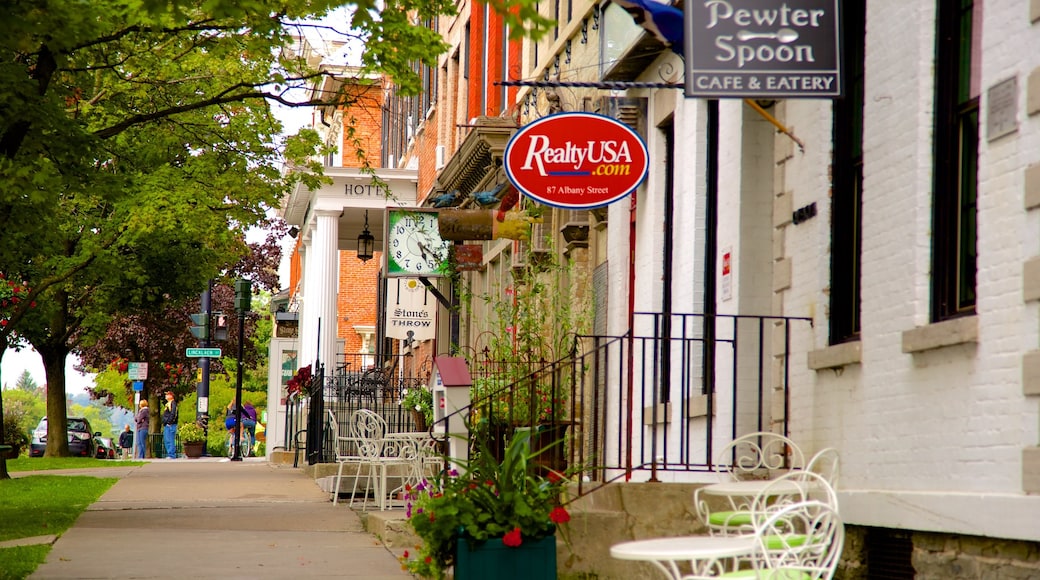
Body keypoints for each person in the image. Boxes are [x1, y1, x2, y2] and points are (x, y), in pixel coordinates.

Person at [161, 391, 178, 459]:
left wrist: (169, 422)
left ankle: (171, 455)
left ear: (171, 396)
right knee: (167, 439)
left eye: (167, 395)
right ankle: (169, 453)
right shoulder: (168, 404)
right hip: (167, 424)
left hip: (170, 425)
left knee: (170, 439)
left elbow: (173, 413)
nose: (166, 396)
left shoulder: (173, 403)